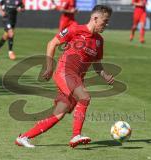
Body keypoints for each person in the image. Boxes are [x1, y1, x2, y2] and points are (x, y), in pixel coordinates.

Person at [15, 5, 114, 148]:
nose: (106, 24)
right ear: (95, 18)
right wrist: (49, 67)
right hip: (64, 72)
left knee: (59, 113)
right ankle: (76, 135)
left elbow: (97, 63)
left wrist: (105, 75)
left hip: (76, 78)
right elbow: (52, 43)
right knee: (85, 97)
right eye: (104, 21)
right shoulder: (75, 29)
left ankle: (23, 138)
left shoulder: (99, 41)